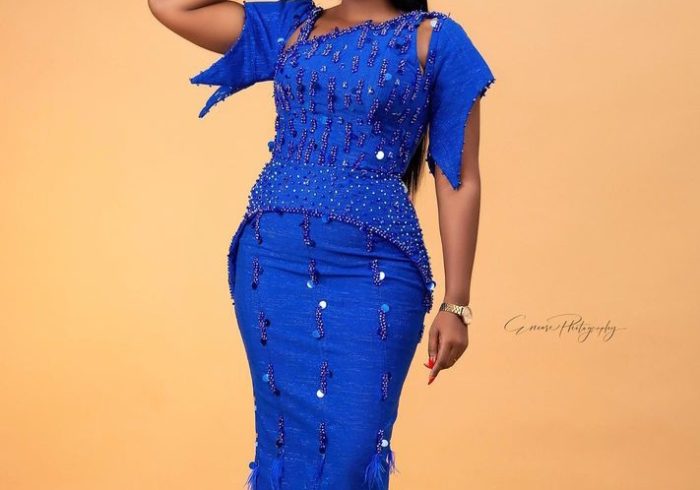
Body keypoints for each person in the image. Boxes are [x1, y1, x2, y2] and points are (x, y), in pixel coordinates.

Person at [149, 0, 495, 488]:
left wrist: (456, 303)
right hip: (274, 268)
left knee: (351, 457)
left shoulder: (435, 41)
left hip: (375, 274)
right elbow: (172, 6)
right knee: (283, 449)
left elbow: (458, 176)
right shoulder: (292, 25)